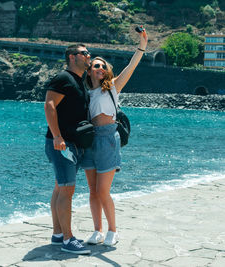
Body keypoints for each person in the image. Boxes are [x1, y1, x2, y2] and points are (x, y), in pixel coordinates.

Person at [82, 28, 148, 246]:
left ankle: (113, 230)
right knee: (92, 191)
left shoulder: (112, 88)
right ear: (90, 71)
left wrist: (142, 45)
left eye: (103, 66)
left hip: (108, 138)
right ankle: (97, 230)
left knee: (103, 191)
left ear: (106, 71)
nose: (100, 68)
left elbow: (131, 67)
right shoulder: (85, 93)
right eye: (95, 66)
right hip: (90, 140)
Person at [44, 44, 91, 254]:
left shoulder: (79, 81)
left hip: (69, 143)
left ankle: (58, 234)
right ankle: (68, 239)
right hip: (62, 144)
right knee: (67, 190)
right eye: (85, 53)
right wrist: (57, 136)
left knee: (60, 188)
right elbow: (49, 105)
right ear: (72, 57)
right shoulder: (63, 78)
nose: (88, 56)